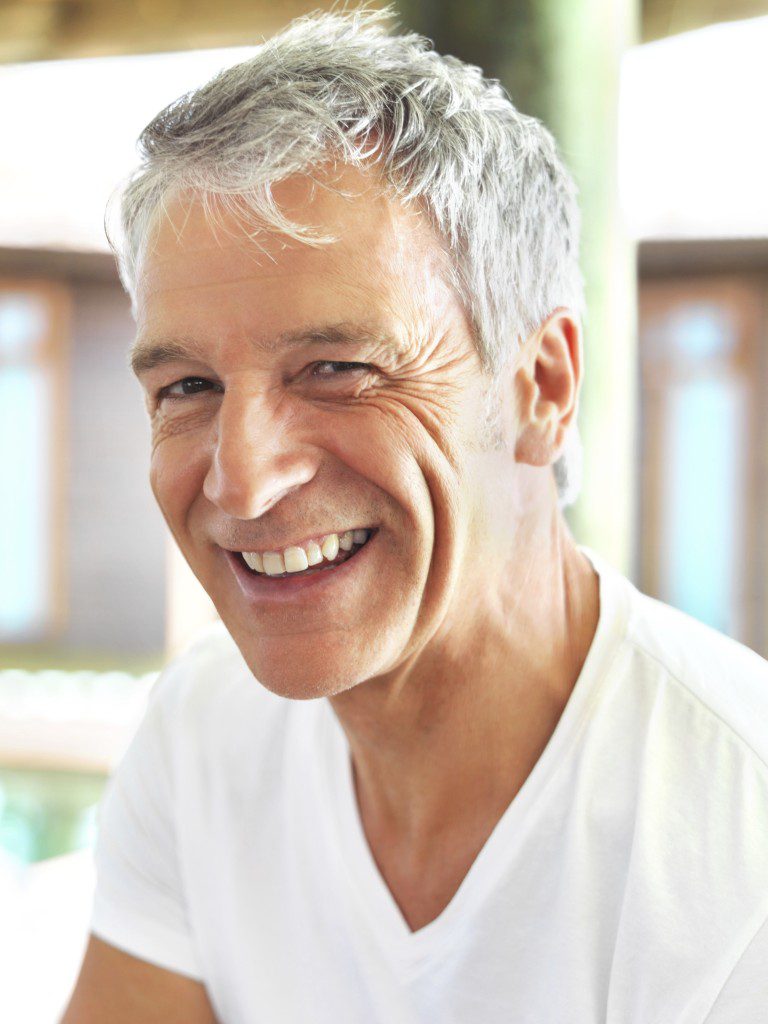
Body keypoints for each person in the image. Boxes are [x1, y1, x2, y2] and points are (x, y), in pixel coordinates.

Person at [63, 8, 768, 1023]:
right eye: (186, 386)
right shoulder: (205, 735)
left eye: (339, 368)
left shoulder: (733, 839)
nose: (244, 481)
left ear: (541, 387)